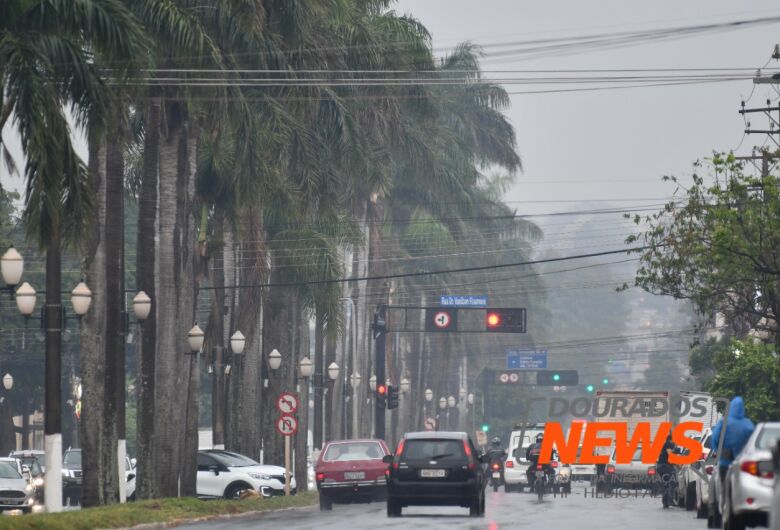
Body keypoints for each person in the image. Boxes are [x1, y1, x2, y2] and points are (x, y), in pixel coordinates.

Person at [709, 396, 755, 483]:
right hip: (742, 465)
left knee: (725, 490)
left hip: (725, 463)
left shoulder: (723, 422)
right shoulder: (748, 424)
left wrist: (719, 452)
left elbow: (714, 439)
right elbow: (753, 442)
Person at [656, 435, 677, 507]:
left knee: (665, 484)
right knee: (672, 482)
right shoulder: (669, 444)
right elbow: (669, 454)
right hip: (665, 466)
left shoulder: (665, 444)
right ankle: (670, 500)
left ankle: (665, 502)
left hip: (660, 466)